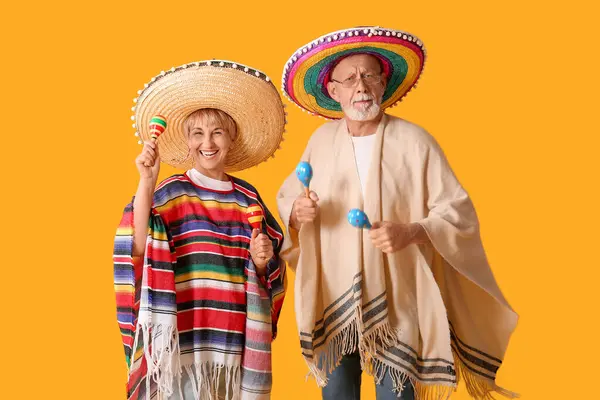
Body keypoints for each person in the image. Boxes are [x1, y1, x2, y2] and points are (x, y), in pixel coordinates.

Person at [276, 26, 518, 400]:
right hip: (333, 297)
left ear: (383, 83)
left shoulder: (415, 141)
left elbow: (457, 213)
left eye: (370, 75)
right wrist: (297, 210)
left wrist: (412, 231)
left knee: (397, 395)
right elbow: (290, 196)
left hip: (398, 299)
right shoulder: (320, 142)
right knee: (337, 393)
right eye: (350, 78)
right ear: (333, 90)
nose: (361, 86)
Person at [114, 60, 287, 400]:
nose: (208, 142)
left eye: (217, 132)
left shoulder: (247, 198)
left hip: (232, 342)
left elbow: (271, 268)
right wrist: (146, 181)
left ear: (231, 137)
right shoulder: (169, 193)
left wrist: (263, 260)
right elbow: (136, 248)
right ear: (188, 141)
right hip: (182, 341)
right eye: (198, 133)